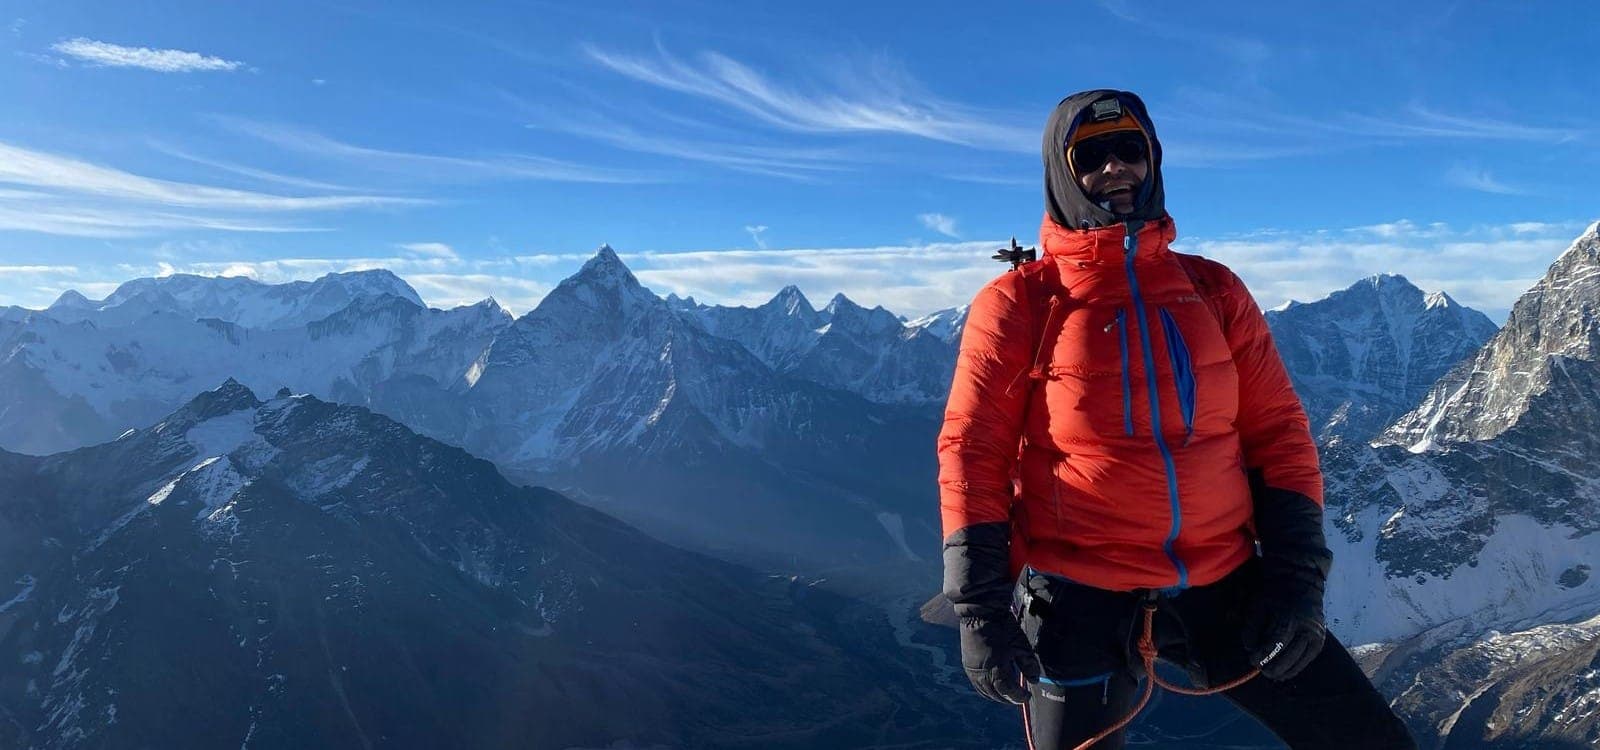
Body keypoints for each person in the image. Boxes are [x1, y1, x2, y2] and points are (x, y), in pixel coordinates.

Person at [936, 89, 1417, 749]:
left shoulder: (1215, 289)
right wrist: (978, 610)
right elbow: (974, 452)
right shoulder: (1020, 303)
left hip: (1223, 576)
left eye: (1130, 150)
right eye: (1091, 156)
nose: (1116, 169)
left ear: (1154, 161)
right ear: (1061, 173)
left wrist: (1296, 577)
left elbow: (1278, 435)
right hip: (1078, 587)